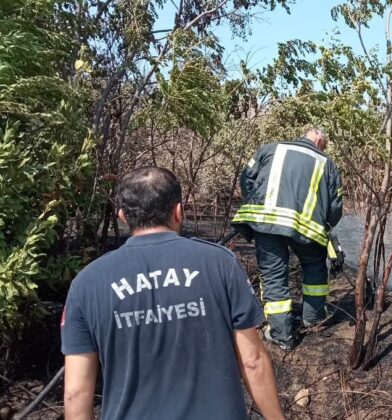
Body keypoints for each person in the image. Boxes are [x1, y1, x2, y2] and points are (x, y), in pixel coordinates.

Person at [61, 167, 284, 420]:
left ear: (123, 216)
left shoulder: (87, 283)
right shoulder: (220, 264)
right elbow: (252, 360)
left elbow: (76, 393)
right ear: (178, 211)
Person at [232, 128, 343, 350]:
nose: (323, 149)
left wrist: (256, 204)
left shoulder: (270, 149)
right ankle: (314, 319)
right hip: (307, 230)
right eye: (324, 145)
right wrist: (326, 225)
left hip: (267, 225)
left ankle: (281, 335)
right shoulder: (327, 163)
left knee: (273, 276)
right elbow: (335, 205)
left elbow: (247, 178)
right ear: (319, 140)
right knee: (315, 270)